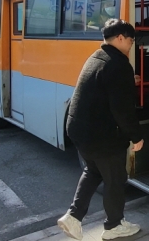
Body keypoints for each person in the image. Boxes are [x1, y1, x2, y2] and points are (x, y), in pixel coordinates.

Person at [57, 19, 144, 240]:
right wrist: (136, 136)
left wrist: (126, 81)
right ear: (121, 38)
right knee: (116, 179)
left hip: (79, 131)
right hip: (101, 136)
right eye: (131, 41)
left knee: (94, 171)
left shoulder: (97, 57)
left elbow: (104, 87)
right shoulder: (119, 65)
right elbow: (122, 109)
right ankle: (114, 225)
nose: (131, 46)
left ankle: (73, 217)